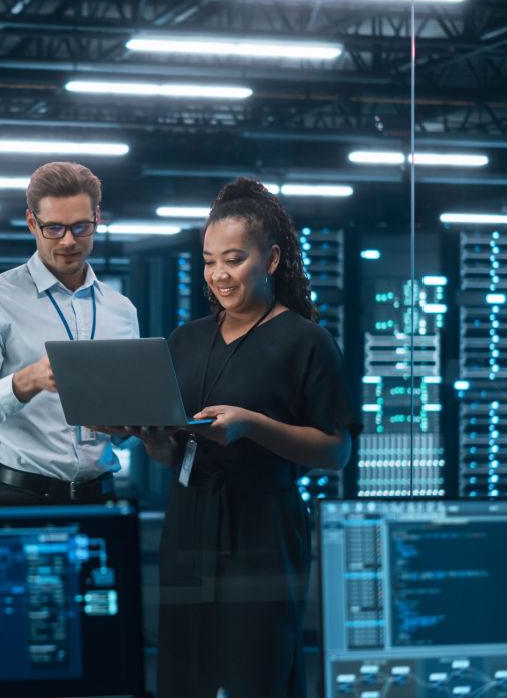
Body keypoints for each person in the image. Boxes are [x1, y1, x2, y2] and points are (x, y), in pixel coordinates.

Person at [139, 178, 359, 698]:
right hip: (189, 522)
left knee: (256, 674)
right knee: (183, 674)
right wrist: (153, 442)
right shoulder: (186, 339)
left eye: (234, 260)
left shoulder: (307, 342)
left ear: (273, 259)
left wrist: (251, 424)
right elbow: (175, 451)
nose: (218, 275)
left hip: (263, 527)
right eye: (210, 260)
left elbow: (338, 450)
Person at [0, 161, 140, 504]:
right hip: (24, 497)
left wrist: (132, 426)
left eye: (81, 227)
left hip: (102, 496)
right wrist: (27, 381)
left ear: (97, 217)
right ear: (31, 223)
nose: (68, 241)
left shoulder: (121, 310)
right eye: (54, 228)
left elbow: (128, 425)